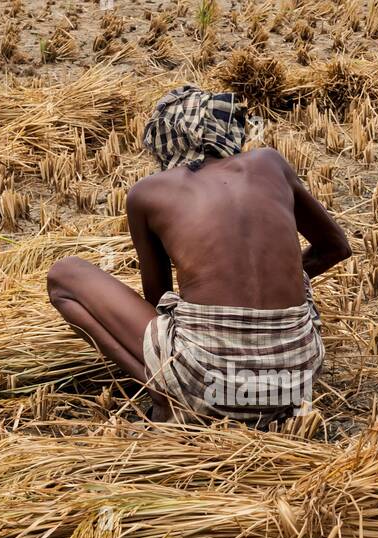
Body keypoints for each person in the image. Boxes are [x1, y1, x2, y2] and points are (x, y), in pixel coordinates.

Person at [46, 85, 351, 425]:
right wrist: (291, 277)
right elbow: (336, 247)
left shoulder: (148, 193)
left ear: (165, 139)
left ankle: (166, 396)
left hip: (207, 385)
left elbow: (159, 300)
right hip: (293, 383)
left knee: (65, 276)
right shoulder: (269, 162)